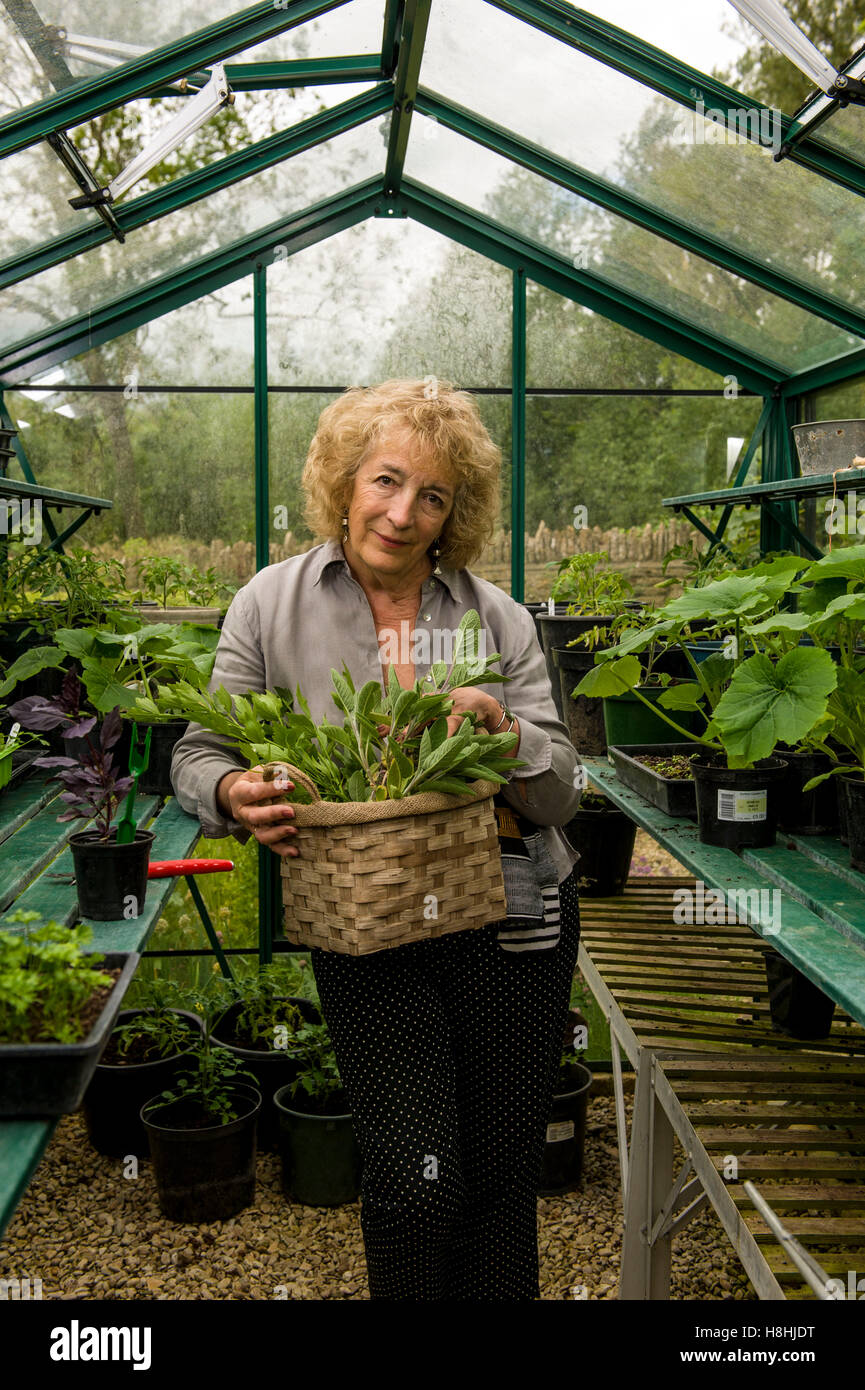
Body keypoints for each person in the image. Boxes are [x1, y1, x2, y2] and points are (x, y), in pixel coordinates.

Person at [171, 378, 584, 1300]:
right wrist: (235, 790)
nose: (402, 513)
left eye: (431, 496)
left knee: (499, 1181)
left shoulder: (497, 617)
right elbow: (198, 754)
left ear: (453, 514)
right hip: (367, 929)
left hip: (510, 922)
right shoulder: (270, 606)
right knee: (410, 1185)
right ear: (343, 482)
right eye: (386, 481)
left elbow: (561, 795)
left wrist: (509, 737)